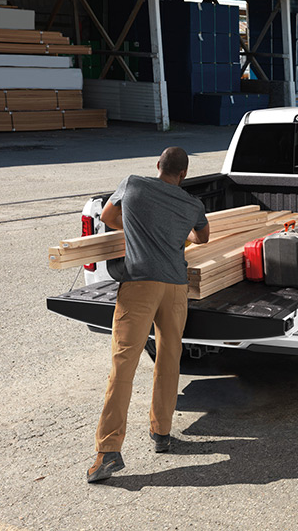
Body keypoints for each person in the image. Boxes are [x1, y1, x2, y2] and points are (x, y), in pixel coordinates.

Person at [86, 147, 210, 483]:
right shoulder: (192, 204)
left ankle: (108, 451)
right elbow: (202, 237)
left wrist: (139, 229)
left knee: (123, 365)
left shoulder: (134, 185)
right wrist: (179, 233)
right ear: (183, 174)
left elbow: (109, 217)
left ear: (158, 165)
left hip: (140, 285)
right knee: (170, 357)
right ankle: (162, 432)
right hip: (175, 288)